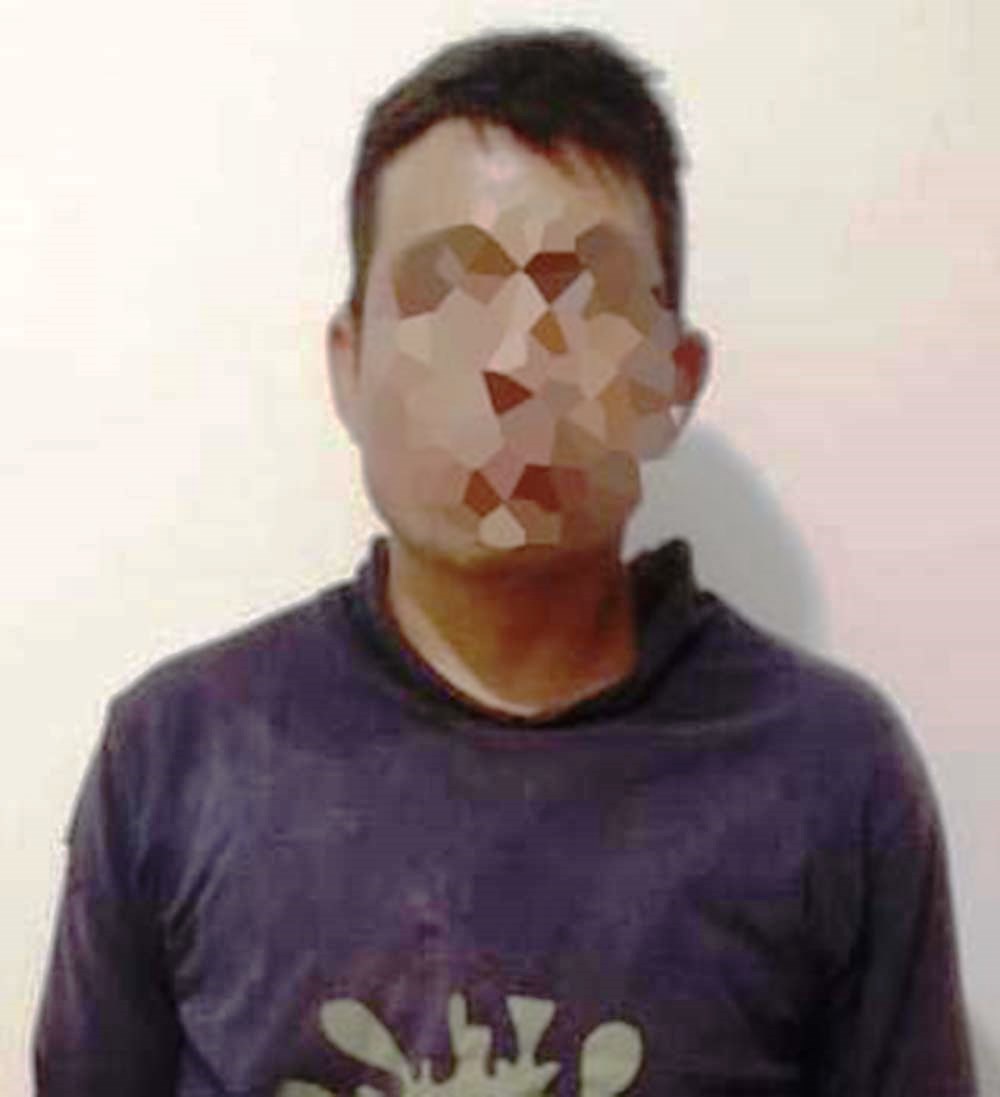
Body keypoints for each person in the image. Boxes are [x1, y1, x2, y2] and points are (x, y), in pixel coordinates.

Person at [33, 28, 977, 1097]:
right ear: (347, 362)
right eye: (449, 294)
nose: (513, 365)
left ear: (674, 379)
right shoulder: (179, 752)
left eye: (581, 298)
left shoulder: (828, 770)